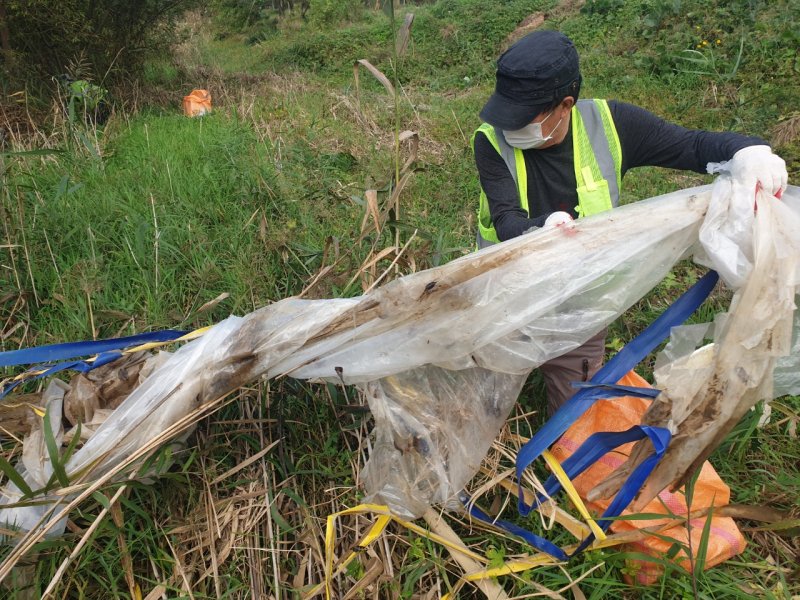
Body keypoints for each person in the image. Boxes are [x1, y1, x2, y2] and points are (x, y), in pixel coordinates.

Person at [473, 30, 788, 416]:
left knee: (576, 415)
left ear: (564, 105)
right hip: (507, 294)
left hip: (581, 300)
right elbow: (506, 220)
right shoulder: (491, 141)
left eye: (522, 118)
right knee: (482, 397)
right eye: (505, 115)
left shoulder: (610, 124)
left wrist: (747, 151)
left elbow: (690, 145)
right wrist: (542, 229)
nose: (510, 127)